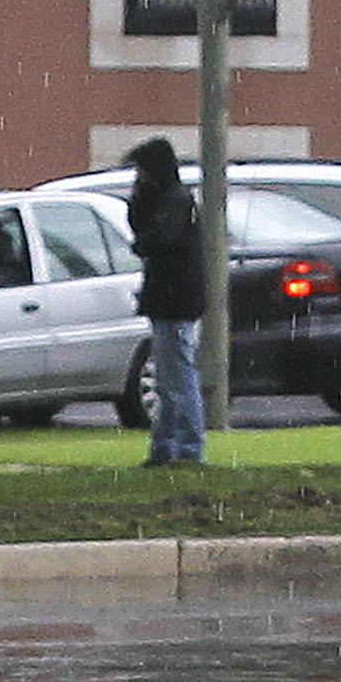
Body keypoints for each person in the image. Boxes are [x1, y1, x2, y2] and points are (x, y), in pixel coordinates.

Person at [124, 138, 208, 466]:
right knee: (168, 379)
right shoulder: (171, 199)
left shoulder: (175, 201)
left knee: (178, 379)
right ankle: (167, 446)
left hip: (175, 301)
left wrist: (142, 238)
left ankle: (186, 447)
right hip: (170, 300)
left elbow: (155, 240)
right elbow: (143, 228)